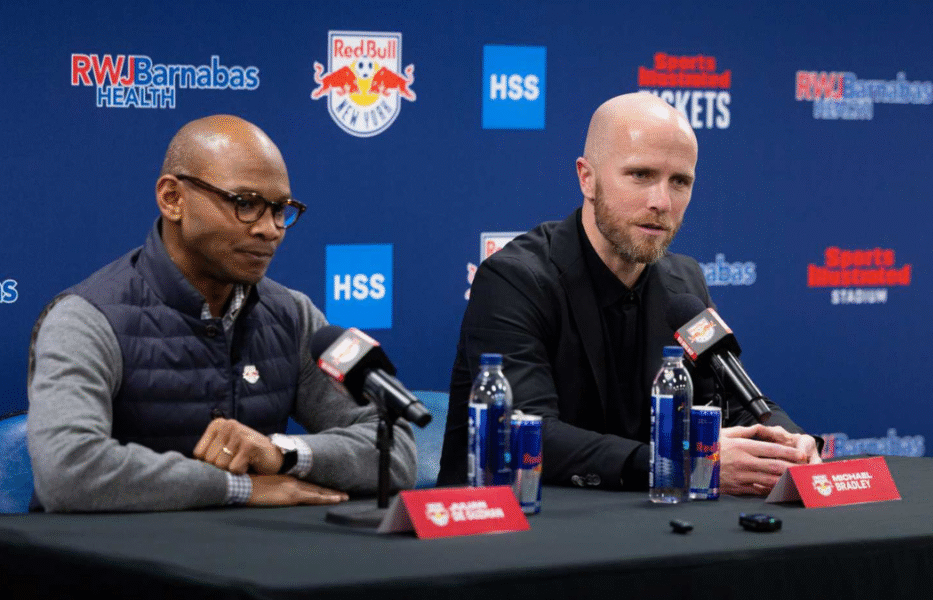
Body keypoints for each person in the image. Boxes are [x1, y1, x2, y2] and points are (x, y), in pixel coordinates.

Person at [27, 115, 415, 512]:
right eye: (245, 204)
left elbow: (396, 450)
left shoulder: (293, 315)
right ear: (172, 199)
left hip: (252, 549)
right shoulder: (86, 319)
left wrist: (283, 453)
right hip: (111, 551)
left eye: (280, 209)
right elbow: (67, 470)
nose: (270, 229)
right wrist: (237, 488)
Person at [438, 93, 820, 495]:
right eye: (640, 175)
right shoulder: (514, 279)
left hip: (645, 519)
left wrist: (792, 444)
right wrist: (684, 463)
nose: (661, 202)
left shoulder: (684, 282)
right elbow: (524, 434)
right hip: (518, 522)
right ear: (587, 178)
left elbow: (735, 401)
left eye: (680, 182)